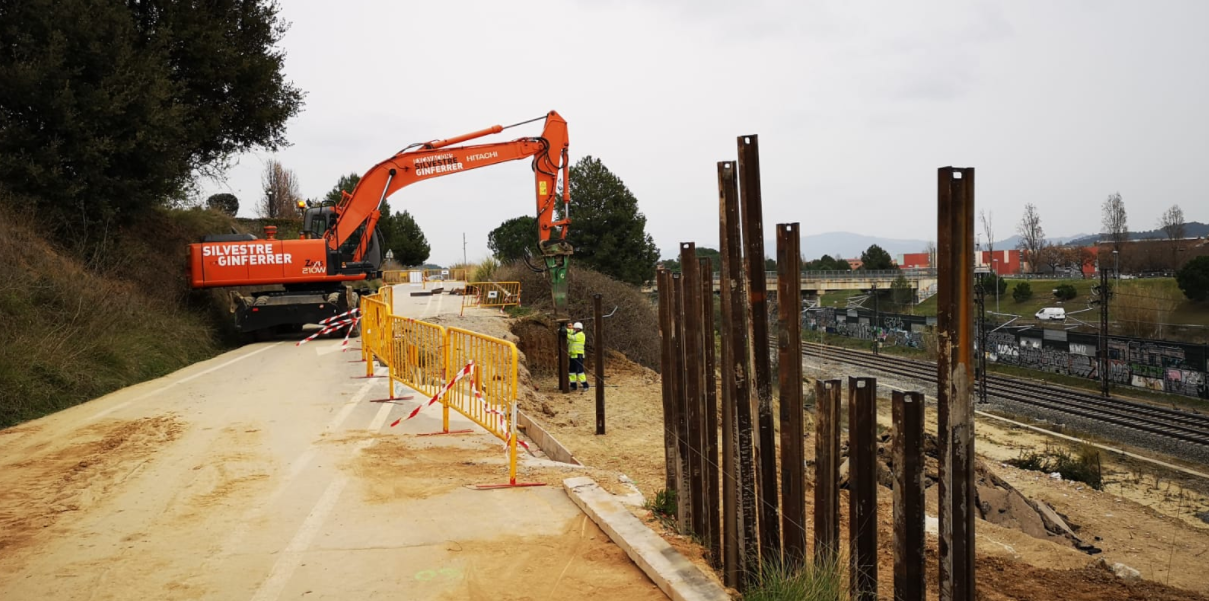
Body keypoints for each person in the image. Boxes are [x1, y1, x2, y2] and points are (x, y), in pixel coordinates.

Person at [566, 321, 588, 391]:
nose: (574, 329)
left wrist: (565, 333)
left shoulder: (581, 335)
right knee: (571, 371)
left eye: (575, 328)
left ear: (578, 329)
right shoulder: (575, 333)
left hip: (578, 356)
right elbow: (570, 332)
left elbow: (571, 337)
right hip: (573, 356)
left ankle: (585, 385)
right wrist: (564, 329)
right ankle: (573, 385)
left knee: (580, 371)